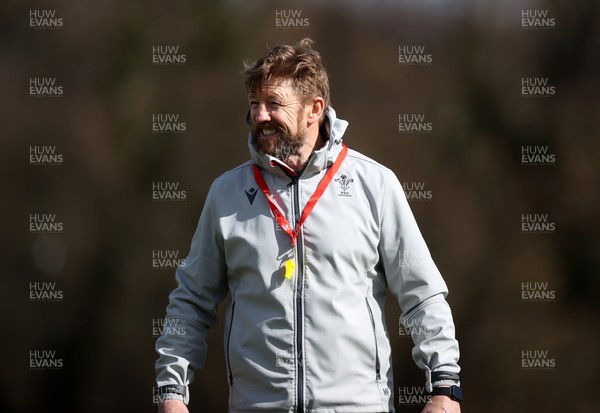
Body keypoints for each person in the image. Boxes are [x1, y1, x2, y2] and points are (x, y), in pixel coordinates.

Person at [155, 38, 462, 413]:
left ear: (315, 109)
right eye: (255, 105)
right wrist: (171, 392)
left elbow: (423, 295)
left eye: (274, 105)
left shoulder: (375, 185)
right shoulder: (226, 193)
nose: (261, 117)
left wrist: (444, 387)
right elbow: (190, 301)